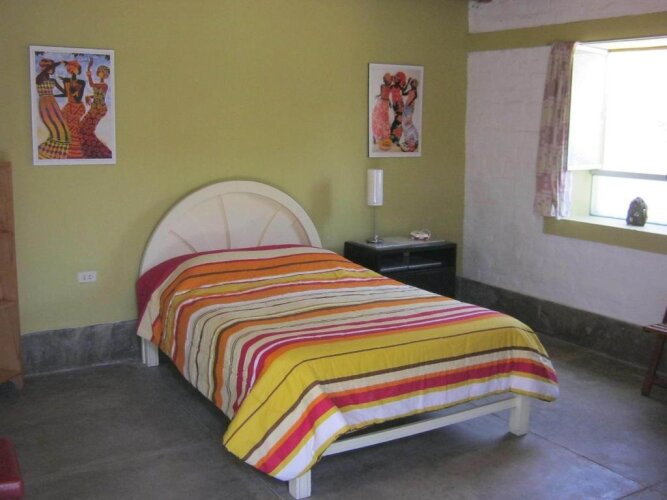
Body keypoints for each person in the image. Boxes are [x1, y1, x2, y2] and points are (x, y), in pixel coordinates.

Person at [35, 58, 71, 159]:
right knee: (55, 130)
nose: (52, 69)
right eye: (50, 67)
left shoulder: (52, 80)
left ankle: (57, 155)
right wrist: (61, 62)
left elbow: (65, 93)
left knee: (64, 129)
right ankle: (46, 154)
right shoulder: (39, 78)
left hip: (53, 103)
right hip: (45, 104)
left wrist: (65, 82)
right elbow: (47, 69)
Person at [80, 57, 112, 158]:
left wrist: (89, 68)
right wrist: (89, 96)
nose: (101, 73)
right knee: (83, 126)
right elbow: (98, 95)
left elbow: (91, 84)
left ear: (105, 75)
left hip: (99, 108)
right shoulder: (100, 85)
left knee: (87, 128)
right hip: (95, 107)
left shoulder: (104, 85)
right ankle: (86, 148)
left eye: (103, 72)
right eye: (100, 71)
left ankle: (94, 151)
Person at [60, 60, 86, 159]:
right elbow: (65, 94)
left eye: (72, 68)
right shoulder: (66, 80)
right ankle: (66, 152)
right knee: (66, 129)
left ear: (77, 69)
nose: (70, 70)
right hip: (69, 107)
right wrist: (50, 94)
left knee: (75, 130)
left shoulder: (81, 82)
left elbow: (78, 99)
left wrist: (73, 91)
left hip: (77, 107)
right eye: (69, 68)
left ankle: (77, 153)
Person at [371, 73, 393, 151]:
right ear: (385, 80)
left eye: (390, 79)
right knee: (378, 117)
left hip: (385, 103)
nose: (389, 80)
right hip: (381, 102)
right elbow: (382, 94)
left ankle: (382, 137)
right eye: (388, 79)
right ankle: (376, 136)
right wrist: (378, 96)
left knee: (384, 119)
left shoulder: (390, 87)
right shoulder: (382, 86)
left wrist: (389, 103)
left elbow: (387, 96)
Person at [399, 78, 419, 152]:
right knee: (404, 122)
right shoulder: (410, 90)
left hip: (409, 106)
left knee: (407, 122)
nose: (413, 85)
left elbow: (415, 96)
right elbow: (403, 93)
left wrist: (410, 103)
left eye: (414, 84)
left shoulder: (414, 91)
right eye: (412, 83)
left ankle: (410, 142)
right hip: (407, 106)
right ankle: (408, 141)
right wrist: (407, 83)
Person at [390, 72, 407, 145]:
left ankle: (395, 139)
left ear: (400, 80)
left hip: (400, 104)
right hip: (396, 105)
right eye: (395, 78)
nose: (395, 80)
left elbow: (404, 91)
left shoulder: (399, 86)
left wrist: (407, 83)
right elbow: (387, 93)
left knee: (399, 121)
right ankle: (394, 138)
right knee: (397, 121)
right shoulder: (392, 87)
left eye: (398, 79)